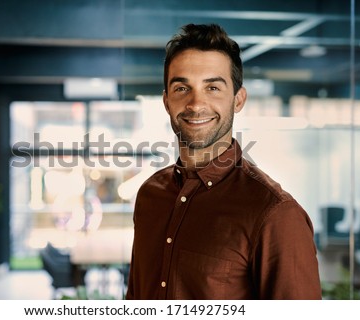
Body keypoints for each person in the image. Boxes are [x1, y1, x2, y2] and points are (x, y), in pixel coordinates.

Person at [125, 23, 321, 299]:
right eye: (182, 88)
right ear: (167, 101)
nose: (195, 103)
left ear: (238, 100)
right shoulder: (150, 195)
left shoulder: (275, 213)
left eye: (213, 88)